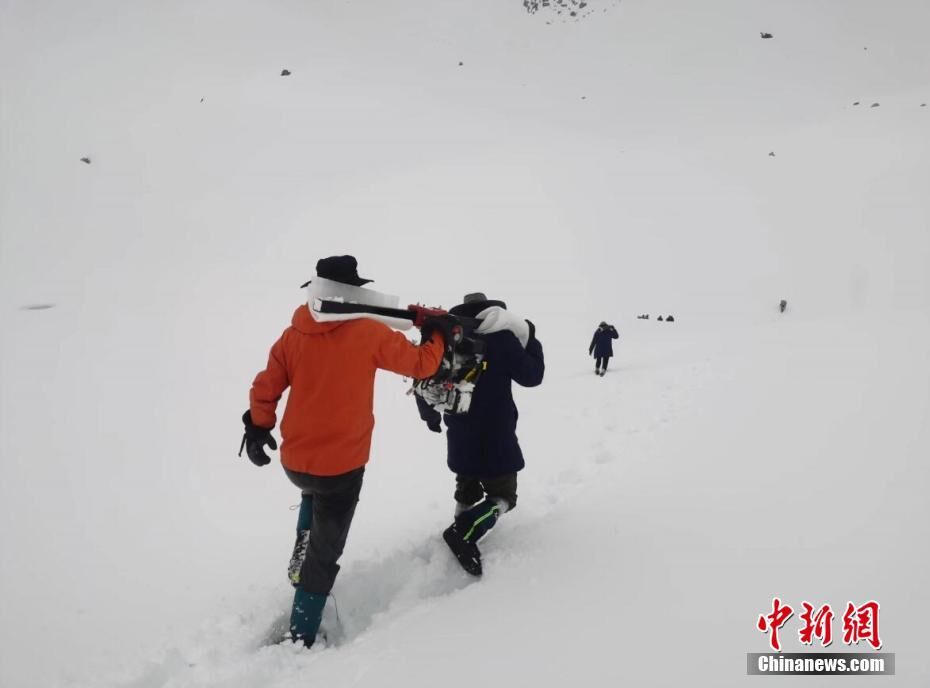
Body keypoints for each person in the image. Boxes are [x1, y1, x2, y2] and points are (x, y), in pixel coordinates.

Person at [240, 255, 450, 647]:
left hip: (296, 460)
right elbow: (422, 365)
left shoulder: (293, 334)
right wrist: (437, 335)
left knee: (312, 492)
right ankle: (301, 633)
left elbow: (265, 386)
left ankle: (303, 551)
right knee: (326, 551)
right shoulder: (367, 332)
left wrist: (258, 426)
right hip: (342, 465)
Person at [415, 293, 544, 576]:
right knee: (504, 495)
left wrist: (430, 416)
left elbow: (423, 376)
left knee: (468, 483)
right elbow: (533, 376)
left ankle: (460, 522)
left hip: (459, 428)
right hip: (497, 431)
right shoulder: (502, 337)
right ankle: (462, 533)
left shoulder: (448, 337)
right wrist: (531, 338)